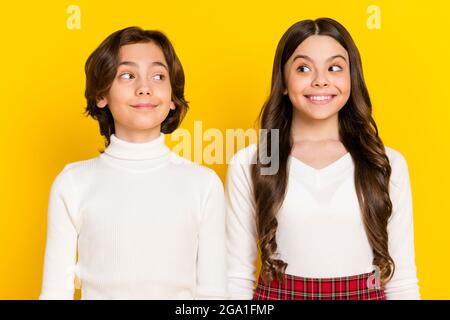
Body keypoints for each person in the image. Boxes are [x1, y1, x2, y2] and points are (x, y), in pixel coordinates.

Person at [226, 18, 420, 300]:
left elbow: (401, 280)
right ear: (283, 82)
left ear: (351, 78)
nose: (320, 80)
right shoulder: (253, 161)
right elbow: (237, 276)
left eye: (335, 68)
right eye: (303, 68)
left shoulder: (384, 162)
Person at [40, 26, 227, 299]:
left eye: (158, 76)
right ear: (101, 95)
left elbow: (213, 294)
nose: (144, 88)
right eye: (127, 75)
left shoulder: (204, 184)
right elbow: (55, 292)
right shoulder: (73, 183)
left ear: (173, 98)